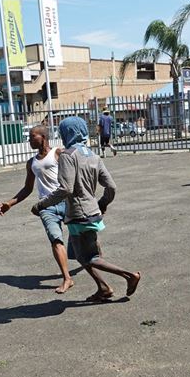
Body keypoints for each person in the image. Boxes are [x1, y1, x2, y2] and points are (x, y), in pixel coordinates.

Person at [33, 117, 140, 302]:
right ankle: (103, 288)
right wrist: (102, 204)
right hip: (92, 213)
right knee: (80, 255)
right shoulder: (93, 155)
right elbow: (111, 187)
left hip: (78, 214)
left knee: (90, 257)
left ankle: (129, 275)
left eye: (62, 131)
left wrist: (42, 205)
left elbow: (65, 189)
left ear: (68, 133)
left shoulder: (68, 155)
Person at [0, 126, 74, 294]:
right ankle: (67, 278)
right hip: (46, 206)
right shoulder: (31, 163)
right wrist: (10, 203)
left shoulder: (58, 153)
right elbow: (27, 188)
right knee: (56, 239)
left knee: (81, 235)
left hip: (66, 202)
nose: (29, 140)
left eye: (32, 136)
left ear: (43, 137)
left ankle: (96, 259)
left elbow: (73, 176)